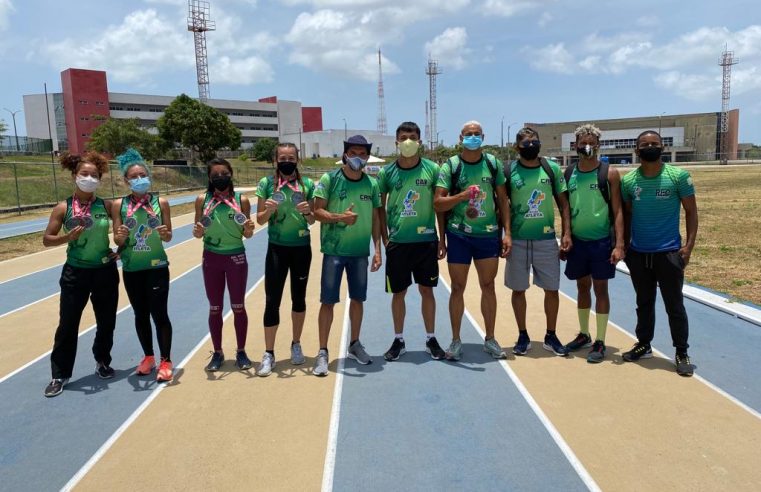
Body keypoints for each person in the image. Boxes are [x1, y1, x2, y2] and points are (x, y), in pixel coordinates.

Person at [621, 130, 698, 377]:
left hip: (669, 254)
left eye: (655, 143)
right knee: (643, 303)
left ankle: (681, 351)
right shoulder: (629, 181)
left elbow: (691, 212)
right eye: (645, 144)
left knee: (674, 305)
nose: (650, 147)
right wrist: (624, 245)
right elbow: (628, 213)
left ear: (663, 147)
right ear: (637, 150)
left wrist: (688, 248)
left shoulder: (678, 177)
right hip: (638, 253)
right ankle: (644, 343)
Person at [434, 121, 511, 361]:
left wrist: (506, 232)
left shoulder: (492, 163)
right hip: (458, 234)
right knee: (458, 288)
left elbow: (503, 200)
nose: (473, 137)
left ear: (483, 137)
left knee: (488, 286)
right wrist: (463, 196)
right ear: (461, 138)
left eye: (477, 134)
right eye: (469, 134)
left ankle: (490, 339)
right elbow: (438, 203)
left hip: (488, 234)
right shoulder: (451, 166)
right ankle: (456, 341)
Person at [42, 152, 118, 397]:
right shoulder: (63, 207)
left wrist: (121, 250)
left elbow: (121, 232)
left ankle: (102, 361)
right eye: (84, 174)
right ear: (75, 176)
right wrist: (67, 237)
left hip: (105, 271)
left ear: (100, 179)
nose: (89, 178)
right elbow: (47, 239)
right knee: (68, 324)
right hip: (76, 272)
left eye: (94, 175)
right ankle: (59, 374)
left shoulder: (106, 206)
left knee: (106, 321)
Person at [312, 135, 383, 376]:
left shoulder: (371, 184)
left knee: (358, 299)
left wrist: (377, 249)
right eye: (354, 153)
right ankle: (322, 352)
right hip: (334, 251)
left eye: (363, 154)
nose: (358, 158)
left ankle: (355, 344)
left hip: (360, 253)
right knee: (328, 301)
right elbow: (317, 211)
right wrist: (339, 217)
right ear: (345, 154)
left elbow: (375, 218)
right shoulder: (329, 179)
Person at [377, 122, 447, 361]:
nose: (408, 141)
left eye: (413, 137)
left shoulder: (432, 169)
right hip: (398, 243)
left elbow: (439, 207)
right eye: (404, 137)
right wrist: (385, 238)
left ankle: (431, 338)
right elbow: (380, 208)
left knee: (427, 290)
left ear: (420, 141)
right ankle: (398, 339)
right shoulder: (386, 173)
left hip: (426, 241)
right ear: (397, 142)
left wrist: (441, 238)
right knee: (399, 293)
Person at [505, 127, 572, 357]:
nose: (531, 145)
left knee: (552, 289)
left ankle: (551, 335)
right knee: (518, 289)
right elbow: (501, 205)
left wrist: (566, 233)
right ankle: (522, 335)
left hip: (546, 239)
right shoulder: (508, 170)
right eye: (526, 142)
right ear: (517, 147)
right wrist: (505, 234)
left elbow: (564, 204)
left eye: (534, 141)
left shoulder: (551, 168)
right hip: (518, 240)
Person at [562, 124, 625, 363]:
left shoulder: (609, 173)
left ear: (598, 145)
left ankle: (600, 340)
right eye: (581, 142)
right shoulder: (569, 173)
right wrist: (566, 234)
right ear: (575, 145)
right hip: (578, 242)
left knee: (601, 289)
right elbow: (566, 209)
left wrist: (619, 244)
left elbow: (618, 211)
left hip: (601, 243)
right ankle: (584, 334)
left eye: (591, 141)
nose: (586, 146)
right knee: (581, 288)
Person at [112, 148, 174, 382]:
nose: (139, 180)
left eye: (142, 175)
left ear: (149, 176)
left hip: (157, 266)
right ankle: (148, 357)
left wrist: (165, 232)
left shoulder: (162, 202)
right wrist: (120, 235)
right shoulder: (119, 205)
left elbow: (168, 238)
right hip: (132, 269)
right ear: (126, 180)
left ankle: (166, 360)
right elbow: (118, 241)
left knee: (160, 314)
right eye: (134, 177)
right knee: (140, 314)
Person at [255, 143, 316, 376]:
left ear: (297, 160)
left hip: (301, 248)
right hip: (276, 250)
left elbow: (312, 222)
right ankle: (269, 353)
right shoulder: (266, 184)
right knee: (272, 300)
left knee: (298, 298)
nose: (287, 161)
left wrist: (307, 212)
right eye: (282, 157)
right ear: (276, 160)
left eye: (291, 157)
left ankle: (296, 344)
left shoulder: (307, 184)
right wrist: (269, 210)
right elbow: (260, 220)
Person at [192, 158, 256, 372]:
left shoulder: (242, 200)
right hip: (212, 259)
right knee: (215, 308)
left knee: (238, 306)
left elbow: (248, 233)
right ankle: (217, 352)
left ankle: (241, 351)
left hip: (236, 258)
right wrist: (197, 232)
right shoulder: (202, 200)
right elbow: (197, 230)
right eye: (215, 175)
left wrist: (248, 229)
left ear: (231, 174)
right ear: (209, 178)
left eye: (224, 174)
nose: (220, 178)